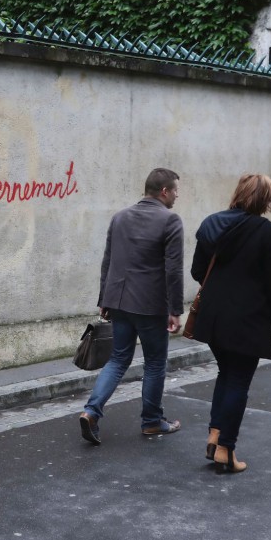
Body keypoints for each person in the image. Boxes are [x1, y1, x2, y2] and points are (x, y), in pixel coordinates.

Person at [189, 174, 271, 474]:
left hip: (214, 318)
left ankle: (215, 435)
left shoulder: (212, 223)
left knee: (226, 374)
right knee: (238, 380)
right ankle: (226, 449)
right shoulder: (268, 232)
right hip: (248, 320)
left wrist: (222, 290)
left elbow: (197, 270)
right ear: (265, 201)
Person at [79, 168, 184, 445]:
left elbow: (108, 260)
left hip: (119, 301)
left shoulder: (120, 217)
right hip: (150, 306)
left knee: (118, 359)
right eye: (175, 190)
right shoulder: (170, 220)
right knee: (155, 362)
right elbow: (173, 270)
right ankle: (151, 421)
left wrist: (104, 298)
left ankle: (91, 412)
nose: (177, 195)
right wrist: (175, 310)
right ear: (164, 191)